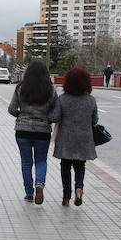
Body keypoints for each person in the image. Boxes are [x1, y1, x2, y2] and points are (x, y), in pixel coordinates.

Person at [8, 60, 58, 204]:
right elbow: (56, 112)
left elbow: (11, 109)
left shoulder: (20, 87)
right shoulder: (51, 89)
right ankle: (40, 184)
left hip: (23, 131)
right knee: (41, 160)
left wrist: (21, 117)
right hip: (43, 131)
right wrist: (48, 119)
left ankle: (29, 193)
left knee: (26, 162)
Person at [50, 67, 98, 206]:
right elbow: (95, 120)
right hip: (84, 138)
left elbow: (55, 117)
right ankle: (79, 189)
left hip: (66, 138)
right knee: (80, 165)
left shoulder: (62, 99)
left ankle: (66, 196)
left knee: (65, 166)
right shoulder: (91, 100)